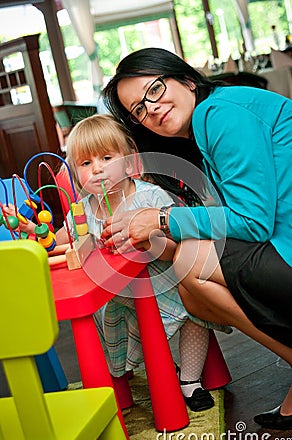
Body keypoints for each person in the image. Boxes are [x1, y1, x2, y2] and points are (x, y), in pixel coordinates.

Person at [101, 47, 292, 430]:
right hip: (287, 242)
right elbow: (239, 228)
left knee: (191, 267)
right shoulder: (212, 119)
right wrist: (161, 233)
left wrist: (161, 219)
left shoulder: (221, 113)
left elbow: (252, 223)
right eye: (138, 109)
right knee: (190, 279)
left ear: (186, 79)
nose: (151, 109)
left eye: (155, 90)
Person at [4, 114, 231, 412]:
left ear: (128, 161)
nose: (98, 169)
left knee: (195, 314)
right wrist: (35, 231)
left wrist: (150, 237)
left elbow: (176, 248)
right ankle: (127, 379)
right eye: (86, 164)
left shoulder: (149, 197)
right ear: (75, 173)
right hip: (118, 296)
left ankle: (189, 381)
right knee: (103, 321)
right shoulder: (82, 210)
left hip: (164, 284)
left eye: (107, 158)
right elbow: (60, 240)